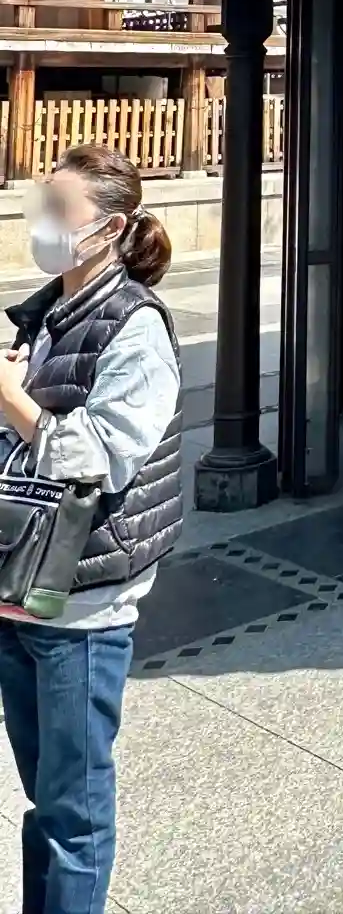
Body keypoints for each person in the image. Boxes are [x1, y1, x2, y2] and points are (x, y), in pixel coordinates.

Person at [0, 143, 181, 914]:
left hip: (84, 603)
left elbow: (100, 458)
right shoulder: (45, 311)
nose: (41, 222)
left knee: (74, 811)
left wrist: (10, 397)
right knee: (44, 797)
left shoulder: (136, 328)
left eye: (58, 209)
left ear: (108, 228)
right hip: (22, 581)